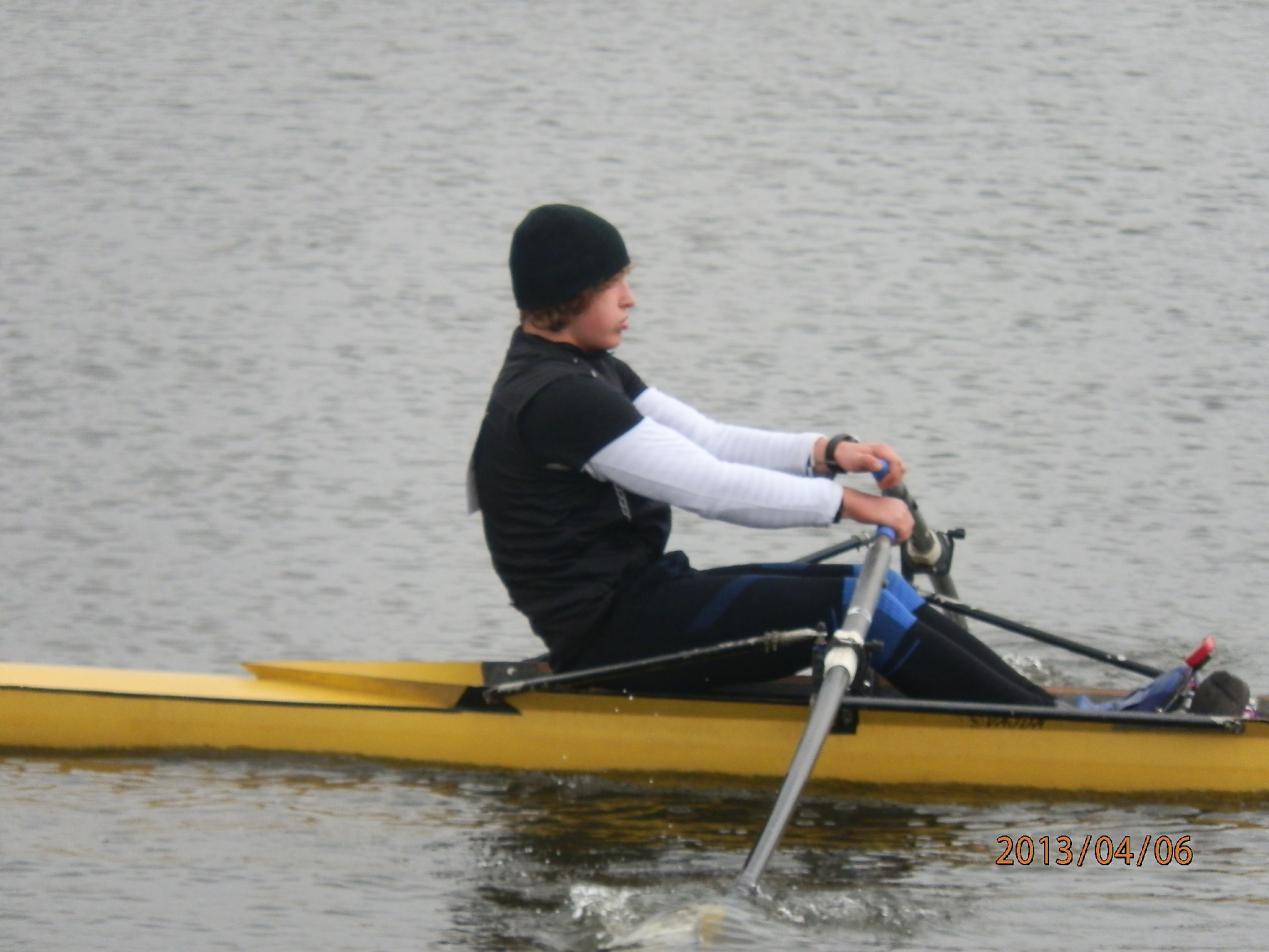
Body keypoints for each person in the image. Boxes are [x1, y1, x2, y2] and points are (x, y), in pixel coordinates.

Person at [468, 203, 1061, 705]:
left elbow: (711, 441)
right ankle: (1036, 727)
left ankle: (1041, 709)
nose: (631, 299)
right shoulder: (559, 399)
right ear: (569, 293)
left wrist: (828, 453)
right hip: (609, 637)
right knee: (849, 604)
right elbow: (710, 487)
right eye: (612, 284)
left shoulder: (591, 371)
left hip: (644, 598)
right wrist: (852, 505)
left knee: (871, 586)